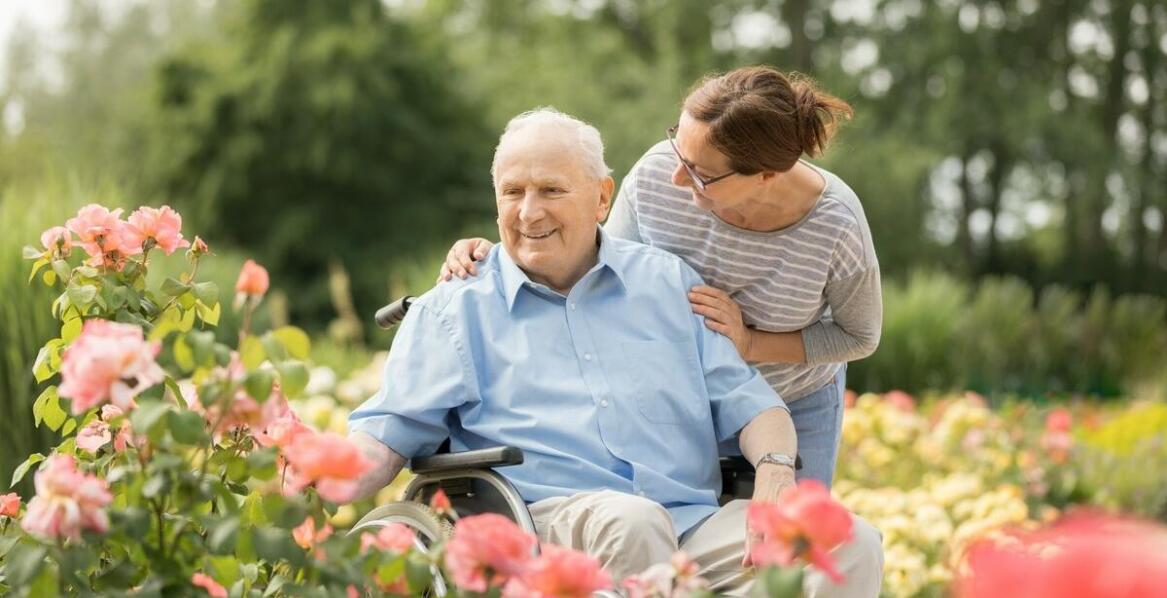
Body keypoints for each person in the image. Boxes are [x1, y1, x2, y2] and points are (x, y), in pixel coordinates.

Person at [349, 108, 882, 596]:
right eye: (513, 192)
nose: (529, 213)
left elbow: (755, 406)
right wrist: (301, 479)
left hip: (688, 523)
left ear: (602, 197)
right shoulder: (454, 309)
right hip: (539, 528)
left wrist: (773, 470)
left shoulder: (667, 284)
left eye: (551, 190)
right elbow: (382, 439)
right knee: (633, 521)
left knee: (849, 540)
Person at [439, 66, 880, 488]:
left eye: (699, 174)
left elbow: (858, 336)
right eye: (678, 150)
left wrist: (750, 343)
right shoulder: (657, 178)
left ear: (766, 175)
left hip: (792, 399)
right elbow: (590, 267)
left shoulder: (836, 226)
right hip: (674, 396)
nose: (675, 176)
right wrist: (495, 257)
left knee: (791, 545)